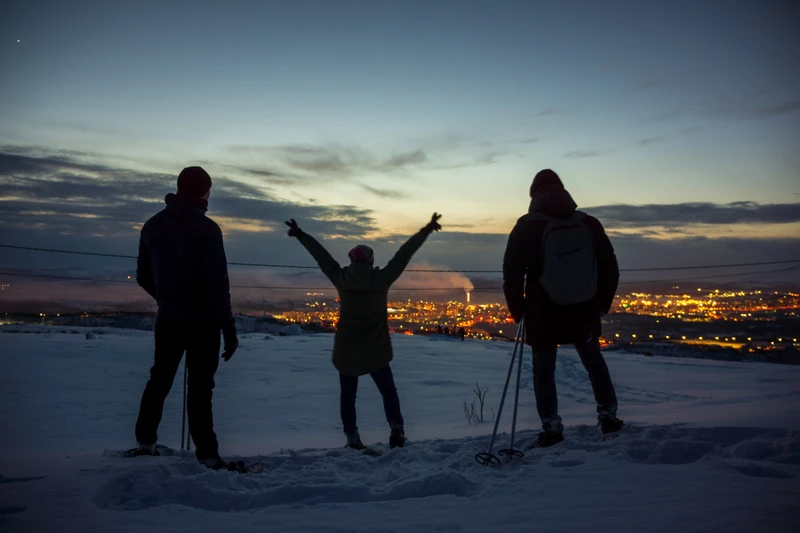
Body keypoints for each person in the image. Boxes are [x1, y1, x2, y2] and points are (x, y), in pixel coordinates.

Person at [285, 213, 442, 450]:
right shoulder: (381, 279)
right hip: (375, 351)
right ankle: (396, 429)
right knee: (388, 391)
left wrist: (301, 235)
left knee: (348, 397)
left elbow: (322, 256)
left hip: (347, 351)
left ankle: (352, 438)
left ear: (351, 262)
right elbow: (403, 254)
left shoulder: (340, 277)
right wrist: (426, 230)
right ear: (370, 262)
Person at [133, 166, 243, 471]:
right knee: (200, 389)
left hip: (168, 319)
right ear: (203, 192)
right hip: (204, 323)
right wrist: (229, 329)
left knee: (159, 379)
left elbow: (143, 275)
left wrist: (167, 299)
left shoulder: (153, 226)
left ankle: (145, 444)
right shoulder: (208, 230)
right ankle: (207, 455)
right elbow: (217, 286)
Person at [502, 169, 623, 448]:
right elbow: (610, 268)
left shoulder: (526, 226)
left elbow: (511, 274)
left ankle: (552, 429)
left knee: (544, 371)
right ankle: (608, 418)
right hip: (584, 310)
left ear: (533, 194)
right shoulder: (588, 223)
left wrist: (519, 312)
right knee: (594, 362)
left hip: (542, 313)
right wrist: (600, 305)